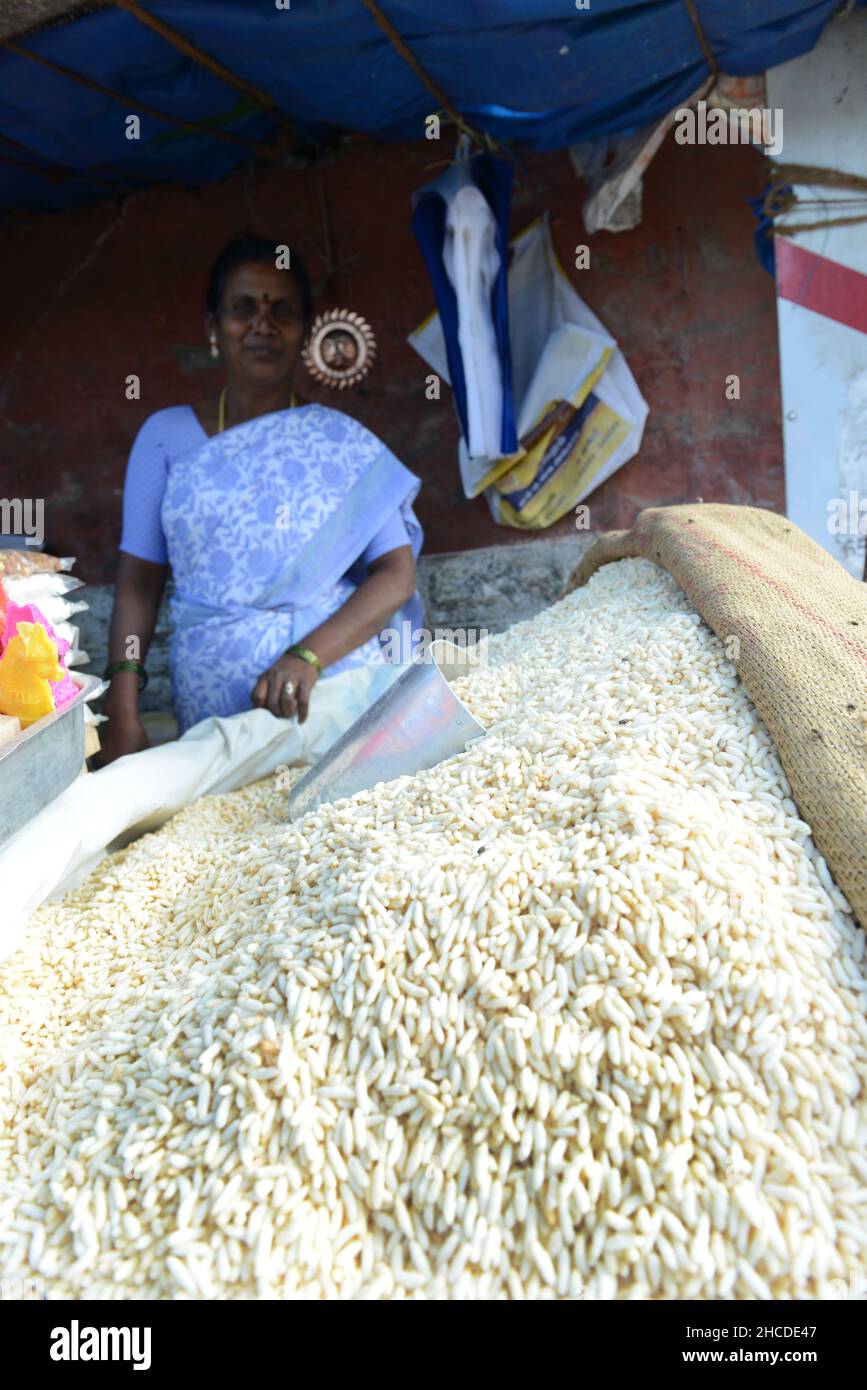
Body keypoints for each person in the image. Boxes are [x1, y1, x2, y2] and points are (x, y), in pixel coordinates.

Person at [96, 234, 423, 766]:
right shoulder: (164, 436)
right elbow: (138, 582)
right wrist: (123, 707)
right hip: (215, 713)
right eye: (243, 308)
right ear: (212, 327)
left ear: (303, 334)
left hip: (336, 692)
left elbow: (396, 574)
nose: (263, 325)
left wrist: (308, 657)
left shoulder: (339, 440)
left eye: (283, 311)